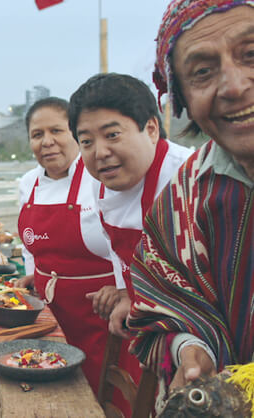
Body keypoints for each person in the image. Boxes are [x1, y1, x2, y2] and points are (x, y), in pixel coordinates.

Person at [126, 0, 254, 407]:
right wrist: (189, 348)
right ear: (180, 98)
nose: (234, 87)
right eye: (203, 72)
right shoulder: (184, 197)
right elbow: (153, 315)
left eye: (251, 54)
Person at [15, 98, 134, 412]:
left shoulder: (100, 178)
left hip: (99, 317)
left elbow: (128, 241)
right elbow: (30, 245)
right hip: (48, 318)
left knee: (99, 401)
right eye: (37, 134)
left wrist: (124, 287)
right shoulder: (28, 183)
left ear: (76, 134)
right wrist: (34, 271)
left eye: (57, 130)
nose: (47, 141)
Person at [68, 73, 193, 339]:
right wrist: (126, 293)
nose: (100, 153)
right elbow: (116, 248)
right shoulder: (100, 182)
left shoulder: (188, 176)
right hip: (148, 319)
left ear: (151, 129)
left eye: (112, 135)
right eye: (87, 142)